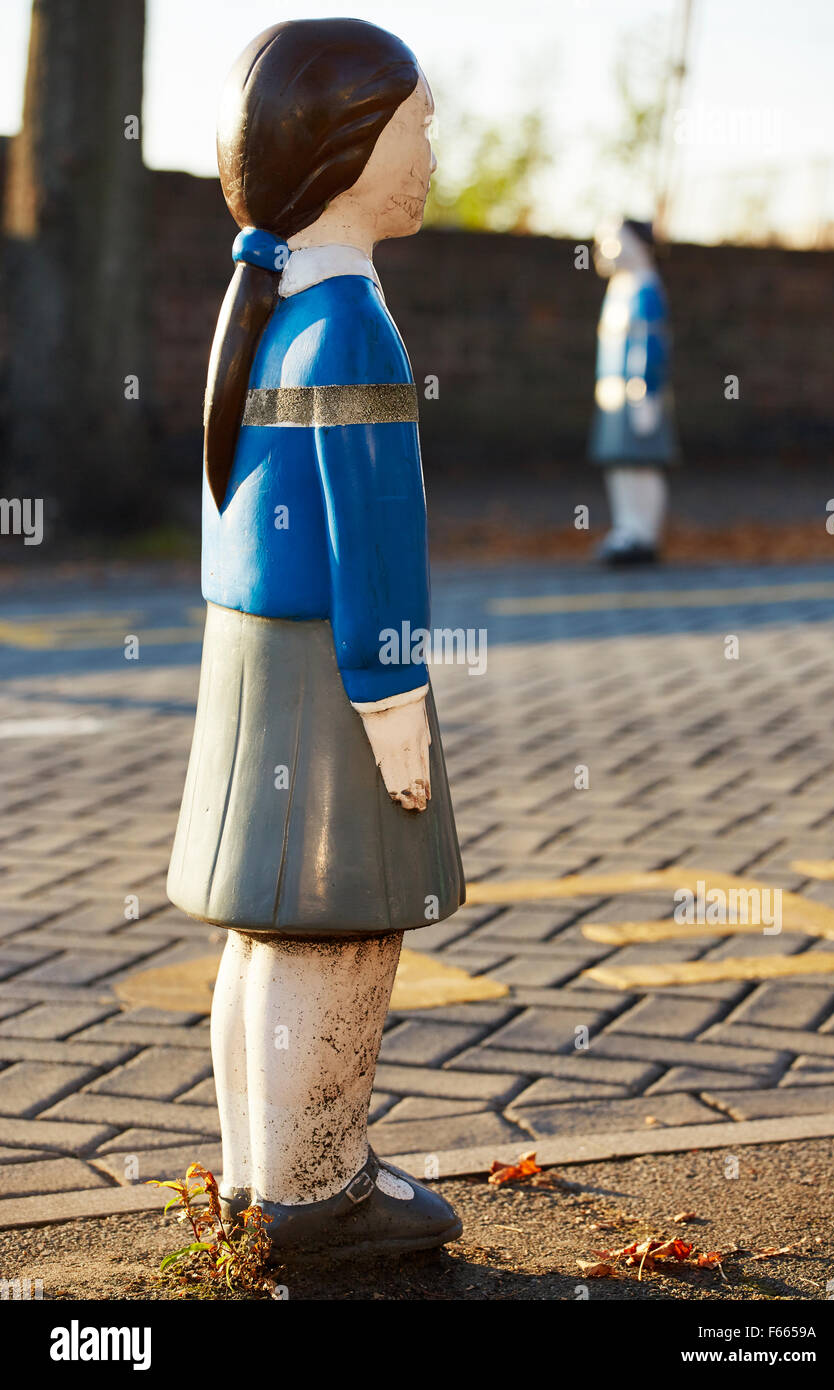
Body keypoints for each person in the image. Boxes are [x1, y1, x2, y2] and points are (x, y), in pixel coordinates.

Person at [167, 18, 464, 1256]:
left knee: (264, 927)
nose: (432, 149)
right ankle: (318, 1186)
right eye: (416, 126)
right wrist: (394, 697)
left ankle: (258, 1177)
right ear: (348, 150)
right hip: (335, 666)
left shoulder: (266, 307)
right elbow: (375, 531)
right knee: (341, 925)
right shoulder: (349, 322)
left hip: (253, 654)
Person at [588, 217, 679, 564]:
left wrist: (644, 387)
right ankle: (627, 526)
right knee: (621, 463)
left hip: (637, 393)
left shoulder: (644, 289)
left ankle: (644, 531)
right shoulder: (621, 289)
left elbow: (649, 342)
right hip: (613, 394)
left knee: (642, 463)